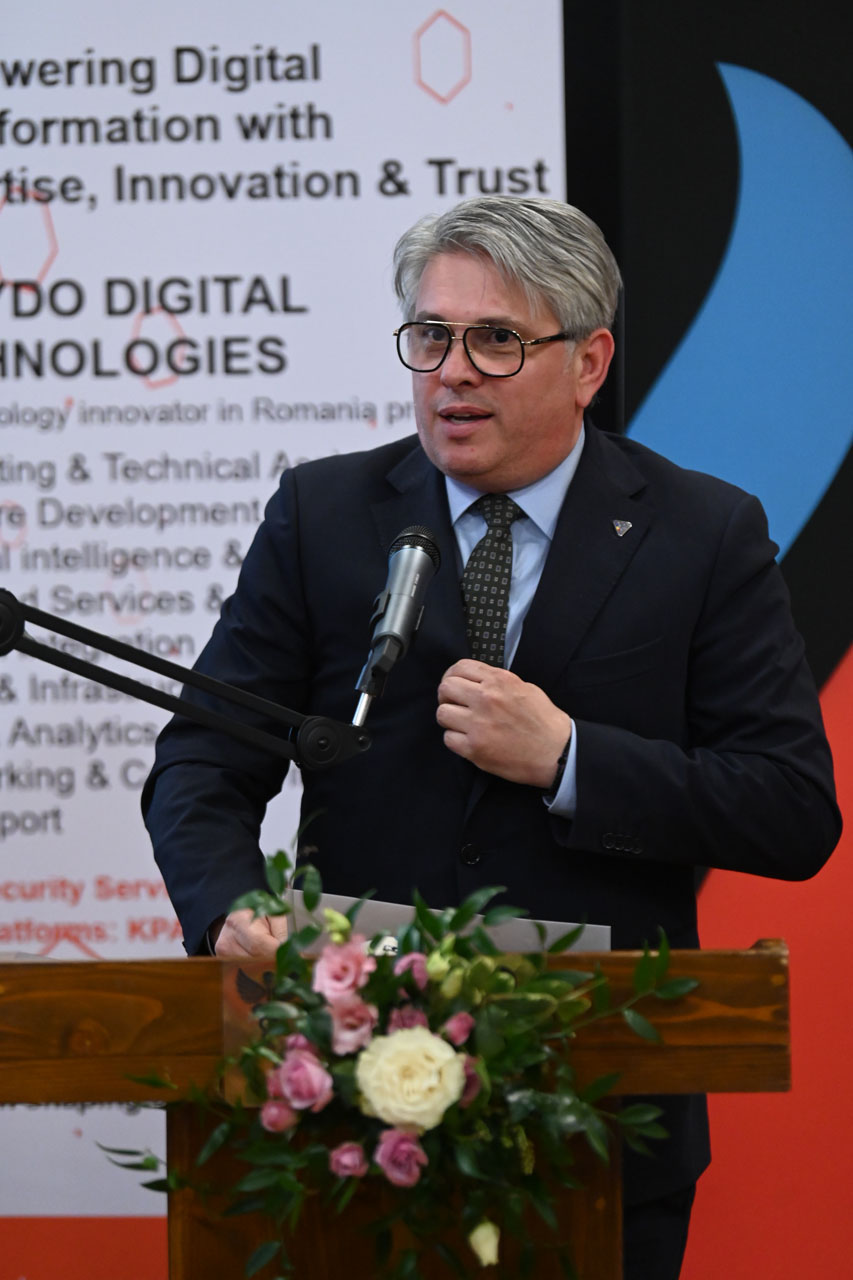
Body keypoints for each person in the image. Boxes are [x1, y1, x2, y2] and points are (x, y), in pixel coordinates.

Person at [143, 196, 841, 1278]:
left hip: (597, 1107)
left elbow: (790, 808)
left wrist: (569, 759)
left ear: (587, 361)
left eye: (496, 340)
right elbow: (202, 756)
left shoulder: (702, 533)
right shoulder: (324, 514)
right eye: (430, 335)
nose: (452, 373)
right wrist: (229, 907)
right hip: (347, 1100)